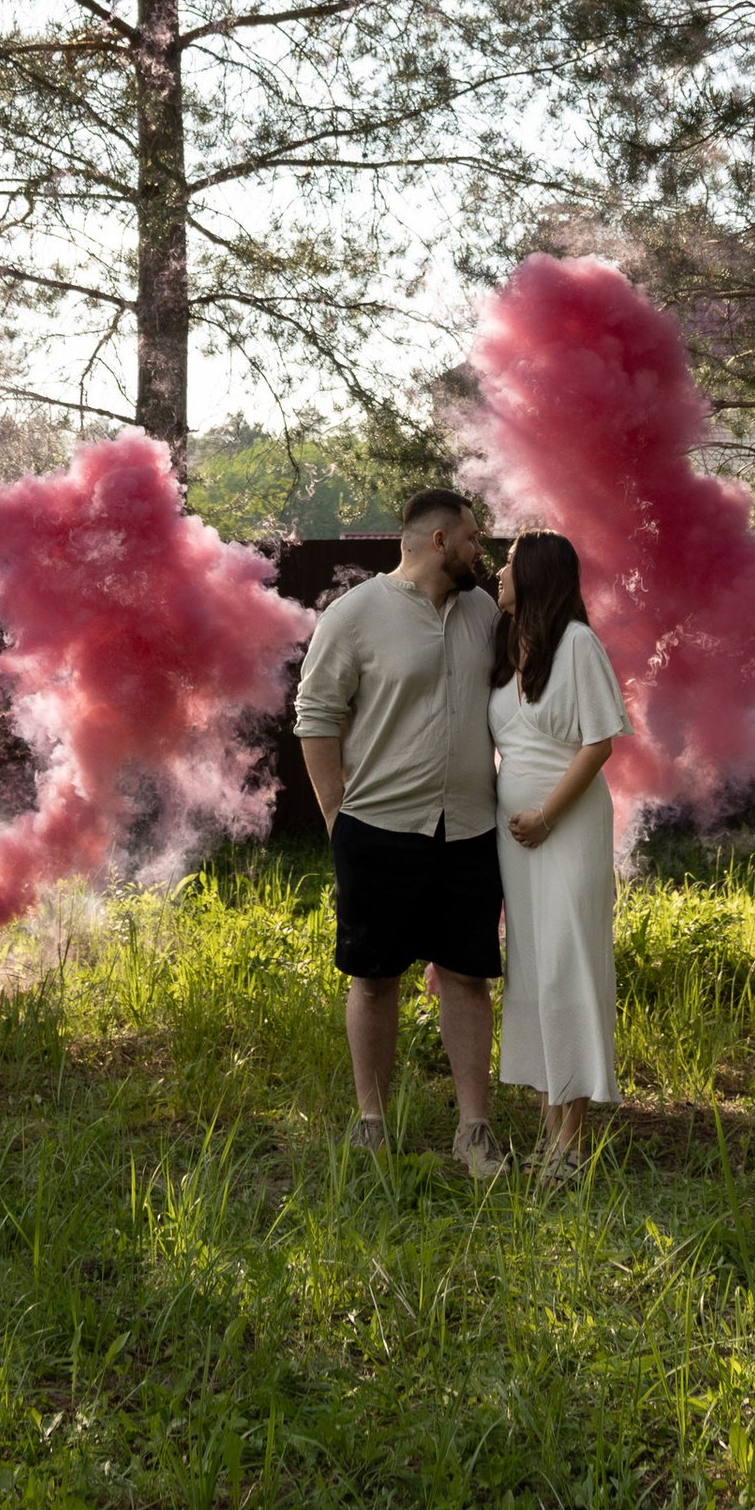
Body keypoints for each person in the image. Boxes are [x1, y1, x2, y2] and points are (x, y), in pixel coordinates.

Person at [293, 488, 509, 1174]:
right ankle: (372, 1124)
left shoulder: (484, 612)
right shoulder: (354, 615)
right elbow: (315, 714)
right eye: (472, 538)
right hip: (378, 827)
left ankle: (474, 1129)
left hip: (470, 829)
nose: (481, 551)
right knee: (374, 978)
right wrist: (336, 816)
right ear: (440, 541)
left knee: (467, 977)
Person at [487, 529, 626, 1175]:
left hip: (566, 830)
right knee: (533, 970)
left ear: (537, 574)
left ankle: (571, 1146)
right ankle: (549, 1134)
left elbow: (599, 743)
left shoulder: (577, 645)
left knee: (568, 967)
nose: (499, 571)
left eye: (511, 562)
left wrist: (545, 816)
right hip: (516, 840)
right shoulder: (507, 644)